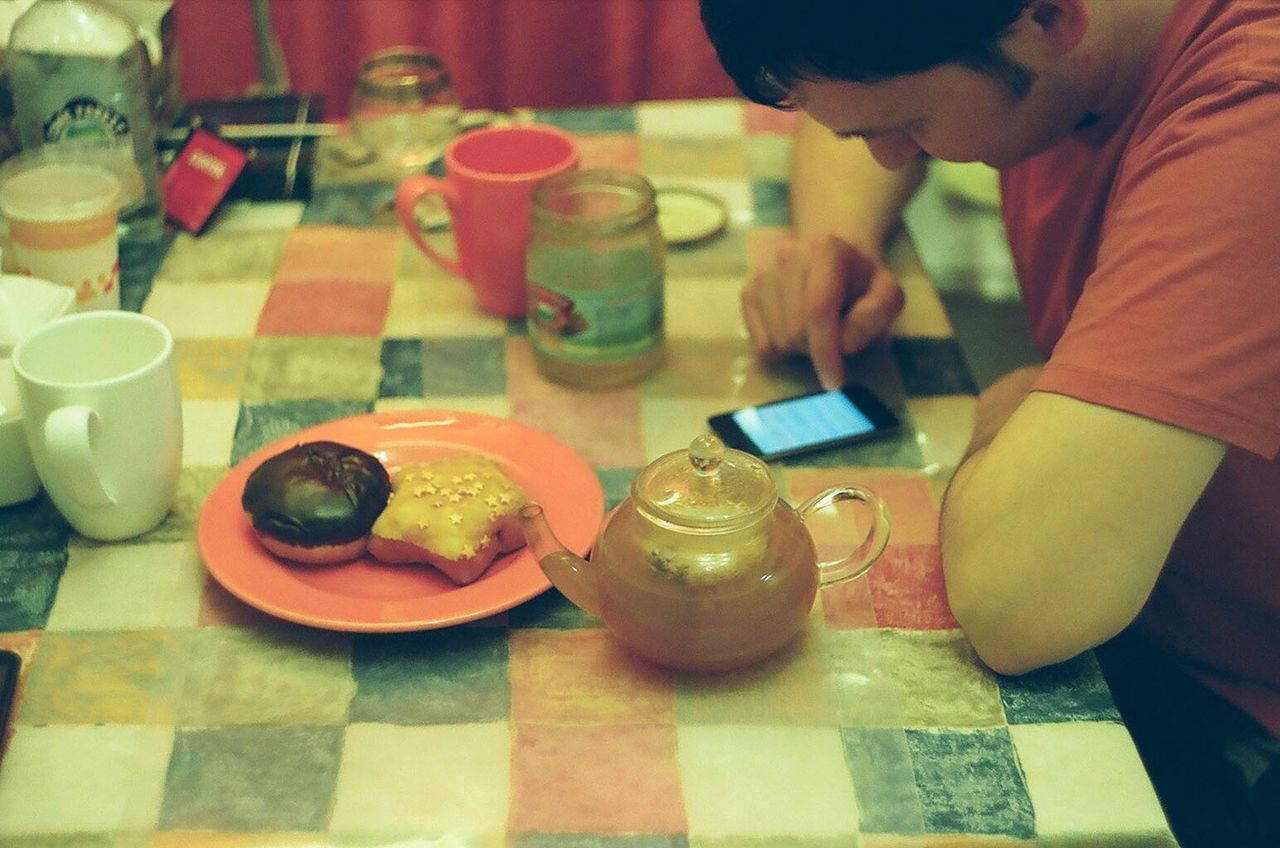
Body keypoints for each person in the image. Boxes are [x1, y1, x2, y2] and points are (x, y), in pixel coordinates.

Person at [697, 1, 1280, 845]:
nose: (889, 152)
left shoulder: (1251, 120)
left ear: (1051, 20)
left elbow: (1021, 606)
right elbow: (852, 102)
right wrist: (838, 239)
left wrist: (1011, 398)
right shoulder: (1044, 45)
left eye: (908, 126)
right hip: (1154, 588)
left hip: (1237, 686)